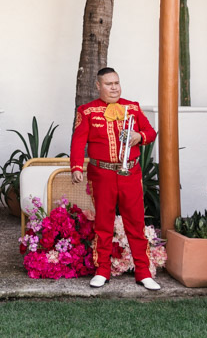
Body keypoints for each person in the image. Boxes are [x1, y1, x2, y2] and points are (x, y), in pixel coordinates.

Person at [70, 67, 161, 290]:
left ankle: (143, 271)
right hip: (102, 174)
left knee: (136, 224)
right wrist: (75, 167)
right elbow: (78, 141)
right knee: (103, 223)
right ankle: (102, 270)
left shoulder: (133, 107)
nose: (114, 88)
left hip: (130, 173)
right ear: (98, 86)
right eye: (109, 84)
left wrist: (139, 136)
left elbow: (151, 132)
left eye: (117, 83)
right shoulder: (87, 111)